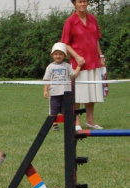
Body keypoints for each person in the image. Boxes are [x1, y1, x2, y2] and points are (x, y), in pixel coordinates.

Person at [61, 0, 105, 131]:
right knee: (77, 94)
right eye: (80, 2)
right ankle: (76, 121)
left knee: (92, 93)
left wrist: (101, 56)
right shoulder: (70, 21)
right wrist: (77, 56)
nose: (83, 4)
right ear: (75, 4)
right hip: (79, 64)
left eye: (84, 1)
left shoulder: (93, 19)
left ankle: (90, 121)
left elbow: (96, 39)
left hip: (94, 61)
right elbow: (65, 44)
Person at [43, 42, 81, 131]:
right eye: (56, 54)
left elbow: (73, 75)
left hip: (66, 92)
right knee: (54, 109)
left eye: (60, 54)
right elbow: (47, 79)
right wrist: (45, 90)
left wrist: (79, 66)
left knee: (66, 110)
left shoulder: (67, 66)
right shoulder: (50, 67)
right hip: (54, 92)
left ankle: (68, 125)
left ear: (64, 55)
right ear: (52, 55)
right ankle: (54, 124)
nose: (58, 56)